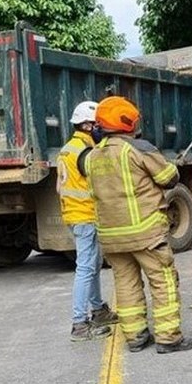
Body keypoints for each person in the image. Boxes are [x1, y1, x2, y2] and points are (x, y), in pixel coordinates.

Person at [84, 96, 192, 354]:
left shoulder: (91, 157)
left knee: (125, 283)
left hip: (112, 235)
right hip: (146, 232)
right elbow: (169, 179)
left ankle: (135, 336)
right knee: (162, 280)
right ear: (128, 123)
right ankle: (168, 338)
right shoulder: (138, 148)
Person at [57, 101, 118, 342]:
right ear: (86, 125)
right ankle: (79, 324)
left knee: (92, 265)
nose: (100, 128)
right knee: (85, 268)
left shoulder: (68, 148)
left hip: (75, 214)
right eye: (97, 124)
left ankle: (98, 311)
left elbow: (58, 187)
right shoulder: (85, 152)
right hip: (85, 216)